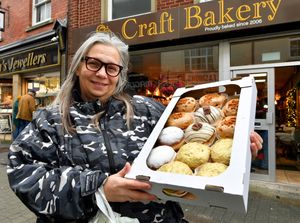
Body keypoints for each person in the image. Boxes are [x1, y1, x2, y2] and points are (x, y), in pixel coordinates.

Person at [7, 32, 263, 223]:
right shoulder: (49, 120)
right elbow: (23, 176)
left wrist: (236, 155)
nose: (102, 74)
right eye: (93, 63)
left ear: (120, 74)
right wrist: (98, 188)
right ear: (78, 66)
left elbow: (191, 152)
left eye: (112, 68)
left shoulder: (147, 110)